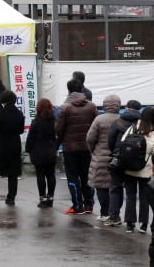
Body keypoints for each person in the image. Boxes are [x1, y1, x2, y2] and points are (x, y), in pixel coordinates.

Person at [55, 79, 98, 214]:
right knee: (87, 176)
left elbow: (59, 129)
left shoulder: (65, 108)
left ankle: (77, 205)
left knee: (73, 177)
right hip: (87, 148)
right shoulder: (91, 106)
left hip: (70, 148)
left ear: (68, 90)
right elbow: (96, 126)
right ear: (82, 89)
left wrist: (57, 143)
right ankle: (89, 204)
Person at [123, 106, 154, 234]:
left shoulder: (132, 128)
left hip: (129, 167)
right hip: (146, 170)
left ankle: (129, 223)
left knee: (130, 196)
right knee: (144, 198)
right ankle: (143, 225)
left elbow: (122, 142)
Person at [105, 99, 141, 227]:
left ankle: (114, 217)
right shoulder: (140, 124)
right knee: (131, 191)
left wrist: (115, 152)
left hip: (118, 159)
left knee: (115, 188)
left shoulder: (117, 122)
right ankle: (130, 222)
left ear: (126, 108)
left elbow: (110, 141)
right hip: (134, 161)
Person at [86, 94, 121, 220]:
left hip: (100, 156)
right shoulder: (122, 119)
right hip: (118, 158)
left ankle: (104, 212)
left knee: (101, 186)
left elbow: (90, 138)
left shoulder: (99, 119)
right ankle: (114, 213)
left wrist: (93, 150)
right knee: (116, 187)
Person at [25, 98, 58, 208]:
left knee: (40, 175)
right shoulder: (54, 121)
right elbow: (56, 137)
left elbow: (30, 139)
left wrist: (28, 149)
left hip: (38, 152)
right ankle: (51, 197)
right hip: (51, 151)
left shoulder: (36, 122)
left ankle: (43, 198)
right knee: (51, 175)